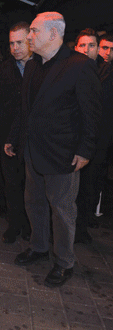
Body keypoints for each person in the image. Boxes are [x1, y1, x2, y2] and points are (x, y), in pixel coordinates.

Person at [5, 12, 101, 287]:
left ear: (52, 34)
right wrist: (14, 137)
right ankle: (39, 247)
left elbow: (91, 113)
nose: (29, 36)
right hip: (33, 151)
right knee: (33, 202)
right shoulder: (34, 66)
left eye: (34, 31)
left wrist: (85, 150)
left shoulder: (79, 65)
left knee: (61, 210)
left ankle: (64, 262)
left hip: (63, 154)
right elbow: (26, 109)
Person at [0, 21, 32, 243]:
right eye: (12, 43)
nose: (15, 48)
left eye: (20, 42)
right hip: (6, 138)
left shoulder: (41, 66)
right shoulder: (3, 68)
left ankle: (32, 227)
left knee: (32, 187)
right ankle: (14, 225)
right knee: (11, 184)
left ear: (31, 41)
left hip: (33, 139)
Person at [74, 29, 113, 244]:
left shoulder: (105, 71)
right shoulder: (69, 69)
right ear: (76, 47)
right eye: (83, 46)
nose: (87, 50)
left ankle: (82, 227)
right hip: (74, 138)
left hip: (98, 140)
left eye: (92, 46)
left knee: (90, 185)